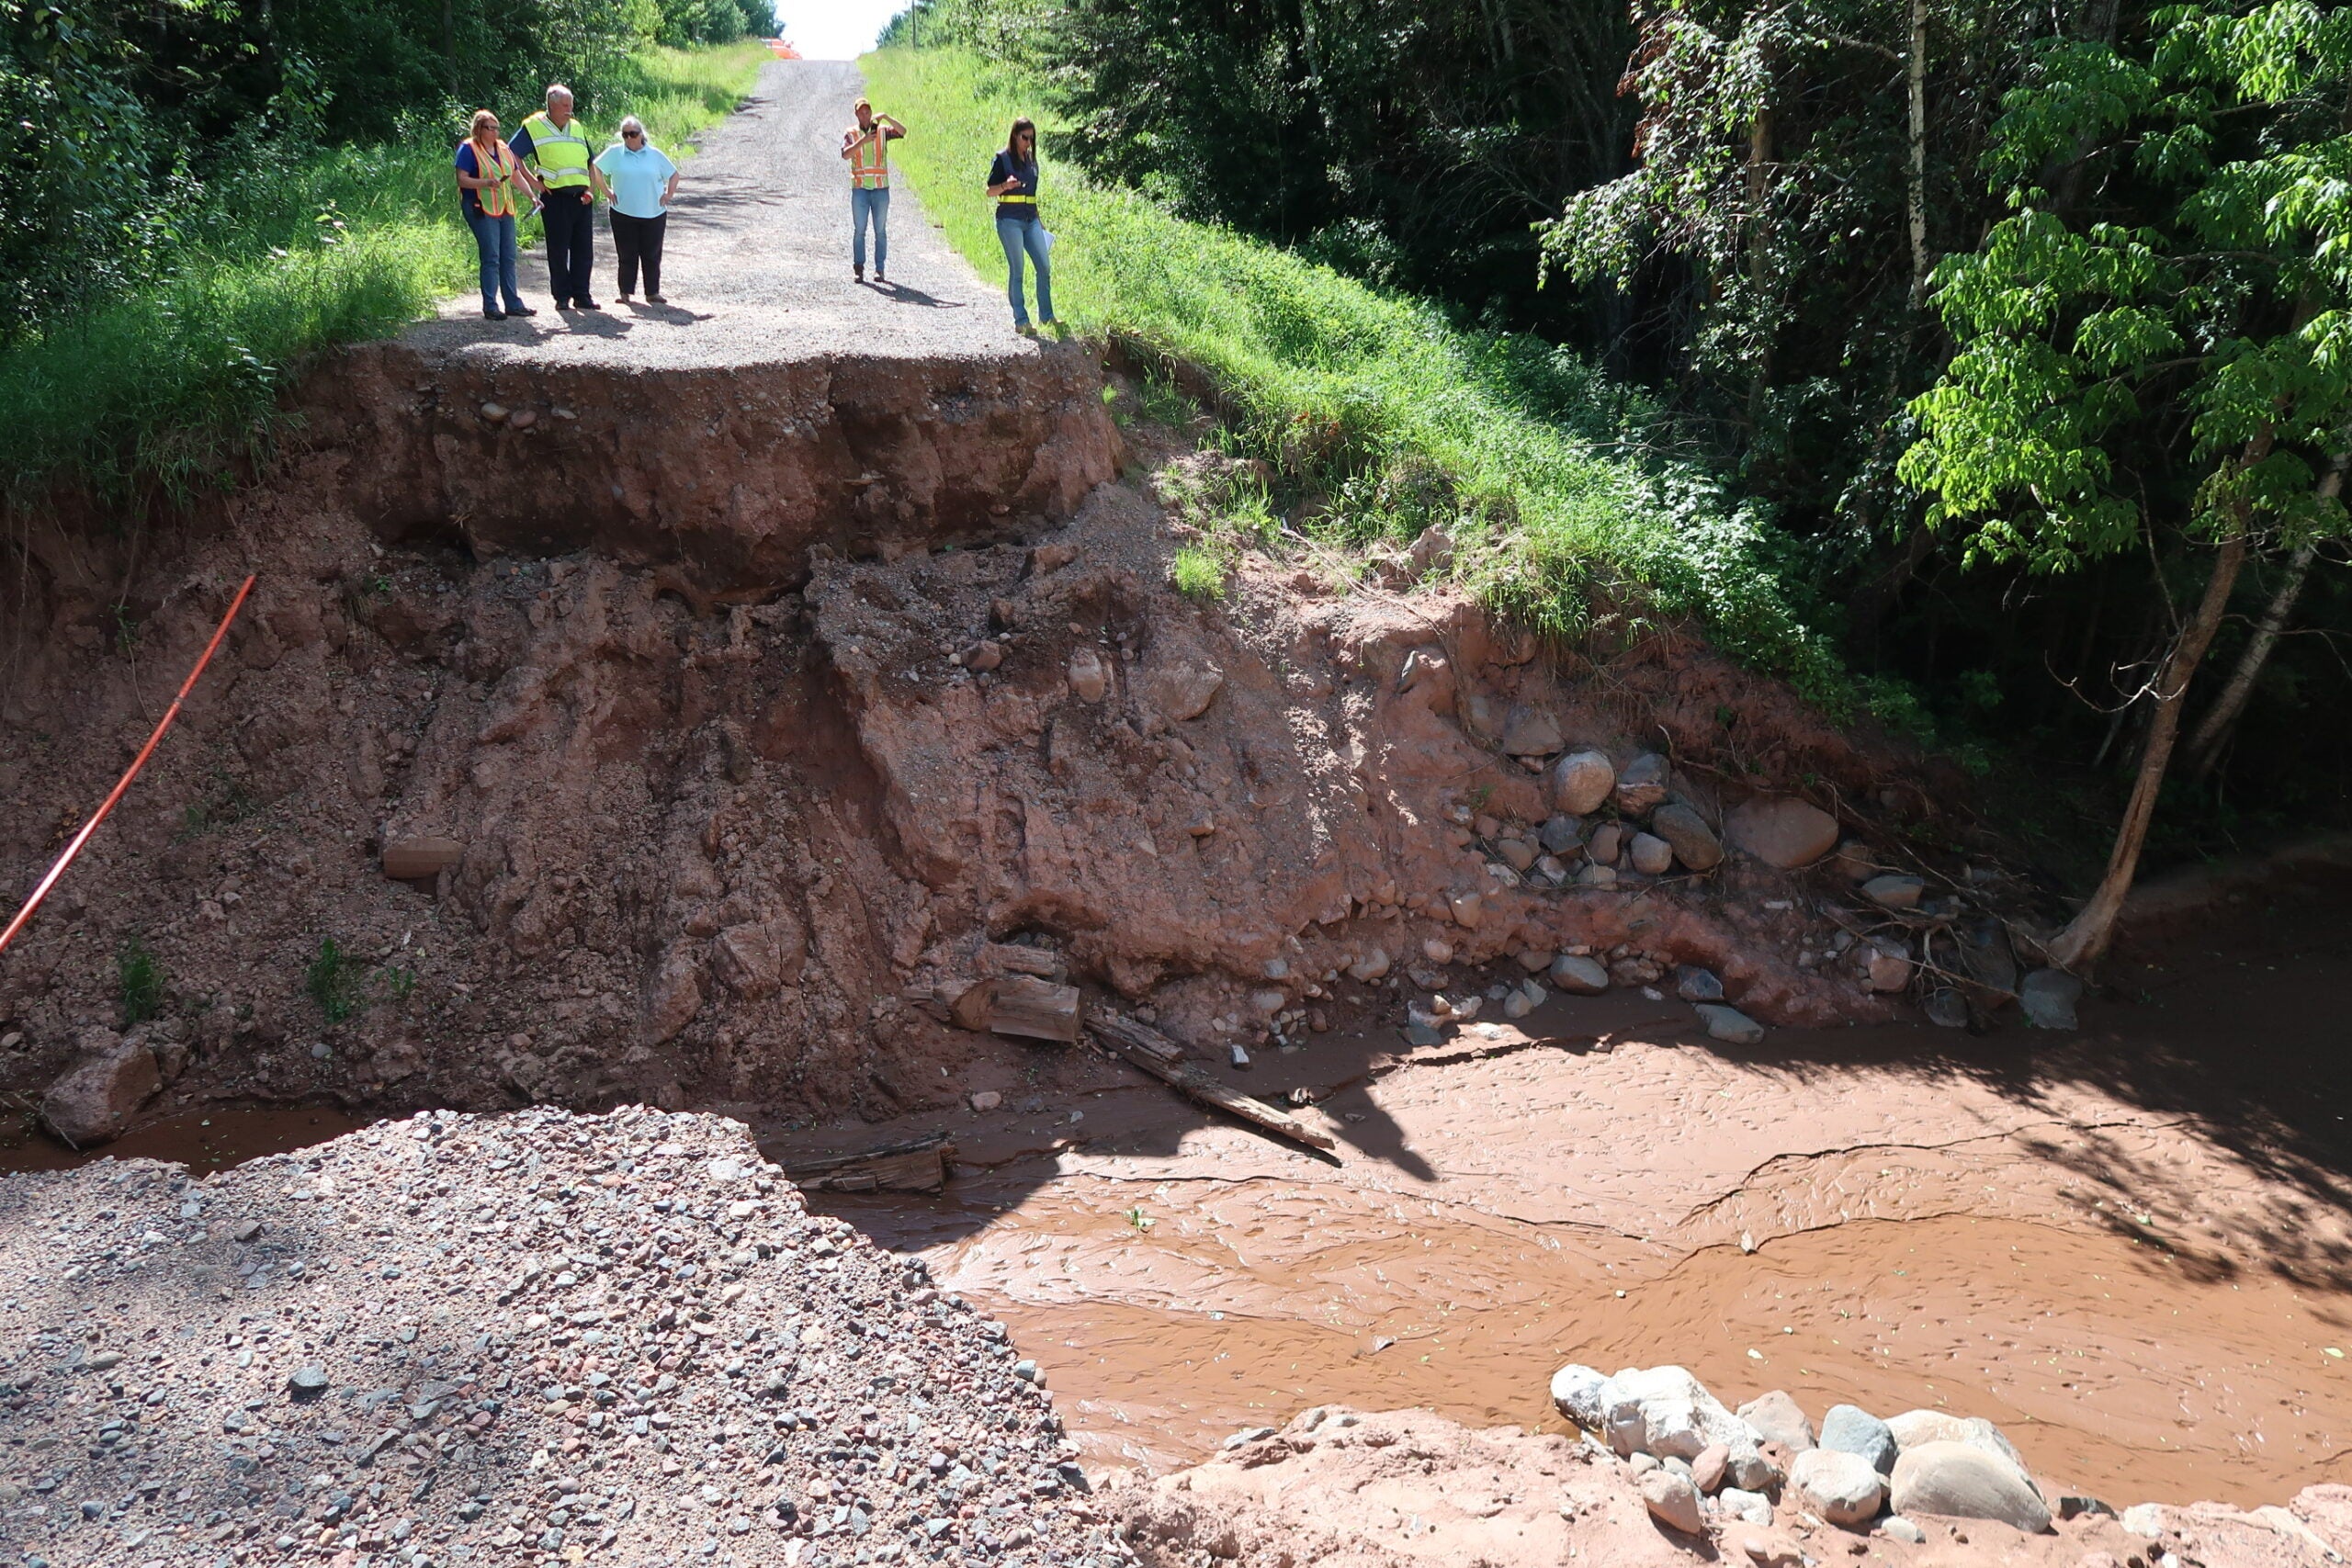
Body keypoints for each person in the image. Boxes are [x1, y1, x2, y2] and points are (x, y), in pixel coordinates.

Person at [511, 85, 613, 310]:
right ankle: (562, 297)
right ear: (552, 105)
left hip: (581, 197)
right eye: (565, 106)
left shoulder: (576, 127)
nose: (569, 110)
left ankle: (582, 295)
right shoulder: (534, 127)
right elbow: (512, 154)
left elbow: (590, 161)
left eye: (571, 106)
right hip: (555, 197)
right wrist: (532, 181)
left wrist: (590, 189)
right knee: (558, 249)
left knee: (584, 249)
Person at [453, 110, 538, 320]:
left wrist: (532, 197)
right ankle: (490, 306)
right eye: (489, 128)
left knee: (508, 255)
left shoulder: (504, 148)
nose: (494, 132)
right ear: (478, 129)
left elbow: (516, 176)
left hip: (505, 208)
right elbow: (462, 180)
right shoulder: (468, 149)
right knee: (491, 256)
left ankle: (513, 304)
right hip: (479, 207)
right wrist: (485, 183)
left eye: (496, 128)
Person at [594, 116, 679, 305]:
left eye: (633, 134)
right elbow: (596, 168)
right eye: (625, 135)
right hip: (623, 212)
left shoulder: (654, 154)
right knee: (626, 254)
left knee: (652, 254)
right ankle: (625, 292)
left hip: (653, 212)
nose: (629, 138)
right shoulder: (615, 153)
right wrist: (606, 191)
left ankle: (652, 292)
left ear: (642, 134)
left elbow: (673, 174)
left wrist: (669, 194)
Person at [986, 118, 1054, 333]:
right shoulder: (1002, 159)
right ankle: (1021, 320)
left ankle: (1047, 316)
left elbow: (1032, 195)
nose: (1028, 142)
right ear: (1015, 135)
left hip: (1031, 219)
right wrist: (1006, 185)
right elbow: (989, 191)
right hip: (1009, 221)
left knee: (1044, 266)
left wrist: (1040, 221)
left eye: (1031, 139)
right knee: (1018, 270)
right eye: (1025, 137)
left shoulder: (1032, 161)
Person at [840, 97, 906, 284]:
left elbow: (903, 131)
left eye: (868, 111)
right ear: (856, 114)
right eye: (861, 112)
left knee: (880, 231)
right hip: (860, 188)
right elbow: (845, 154)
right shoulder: (851, 133)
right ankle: (858, 268)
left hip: (880, 188)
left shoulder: (882, 131)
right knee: (859, 230)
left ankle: (880, 269)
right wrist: (863, 141)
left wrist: (886, 117)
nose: (865, 115)